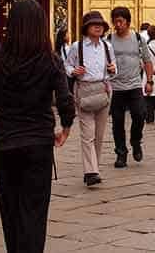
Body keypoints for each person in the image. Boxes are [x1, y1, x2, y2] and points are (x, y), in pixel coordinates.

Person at [0, 0, 75, 253]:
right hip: (38, 142)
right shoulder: (51, 60)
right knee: (34, 211)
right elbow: (65, 99)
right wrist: (65, 128)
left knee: (10, 210)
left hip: (5, 141)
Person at [64, 11, 116, 186]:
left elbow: (114, 69)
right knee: (87, 134)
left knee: (99, 134)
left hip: (103, 88)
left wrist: (113, 69)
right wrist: (73, 71)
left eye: (100, 25)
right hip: (84, 89)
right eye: (94, 24)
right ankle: (90, 171)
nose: (98, 27)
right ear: (86, 28)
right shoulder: (77, 47)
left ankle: (95, 168)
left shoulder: (107, 46)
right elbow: (67, 65)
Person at [106, 6, 154, 168]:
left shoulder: (138, 38)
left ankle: (135, 140)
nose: (118, 24)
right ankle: (121, 153)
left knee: (140, 114)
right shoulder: (109, 40)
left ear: (128, 22)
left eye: (121, 21)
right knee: (117, 122)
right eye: (115, 21)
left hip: (134, 85)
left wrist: (149, 81)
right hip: (116, 87)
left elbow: (147, 60)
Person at [143, 25, 155, 124]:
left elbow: (142, 62)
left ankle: (149, 118)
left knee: (148, 98)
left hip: (148, 73)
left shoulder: (146, 47)